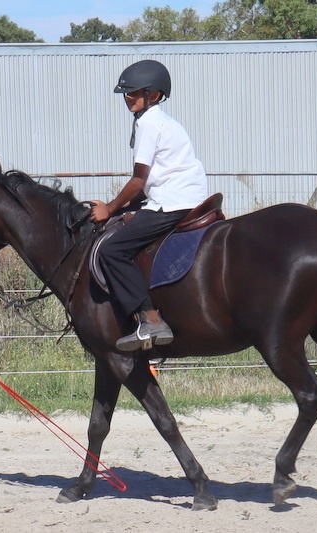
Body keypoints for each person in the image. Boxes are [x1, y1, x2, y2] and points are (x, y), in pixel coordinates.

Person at [90, 59, 208, 352]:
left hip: (172, 203)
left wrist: (110, 208)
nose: (128, 98)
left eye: (134, 93)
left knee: (111, 249)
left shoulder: (149, 123)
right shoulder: (165, 122)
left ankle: (150, 319)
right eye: (126, 94)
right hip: (182, 196)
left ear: (153, 96)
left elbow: (138, 180)